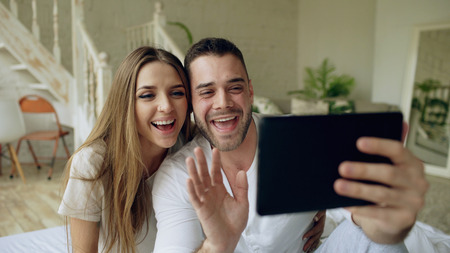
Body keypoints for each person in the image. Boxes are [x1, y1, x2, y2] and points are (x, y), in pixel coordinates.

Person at [152, 37, 429, 253]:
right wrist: (217, 245)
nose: (223, 102)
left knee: (377, 238)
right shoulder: (177, 175)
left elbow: (360, 213)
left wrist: (385, 222)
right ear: (191, 104)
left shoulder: (300, 136)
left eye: (234, 87)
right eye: (207, 92)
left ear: (250, 91)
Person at [58, 46, 193, 253]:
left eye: (177, 93)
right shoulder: (91, 163)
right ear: (126, 103)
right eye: (148, 95)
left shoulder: (192, 151)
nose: (166, 106)